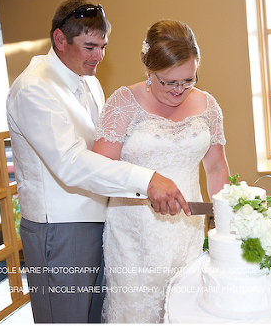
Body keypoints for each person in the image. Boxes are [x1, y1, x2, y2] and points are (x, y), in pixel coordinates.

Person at [6, 0, 189, 323]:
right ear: (60, 40)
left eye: (103, 47)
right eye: (90, 46)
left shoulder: (89, 80)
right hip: (59, 229)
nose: (99, 57)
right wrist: (145, 180)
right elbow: (71, 163)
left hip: (101, 221)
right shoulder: (34, 89)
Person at [92, 20, 231, 323]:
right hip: (135, 234)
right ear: (149, 69)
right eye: (169, 82)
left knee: (187, 309)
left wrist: (227, 218)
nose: (179, 90)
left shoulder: (208, 106)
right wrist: (145, 184)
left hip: (187, 228)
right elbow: (99, 171)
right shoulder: (123, 103)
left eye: (188, 80)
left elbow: (217, 166)